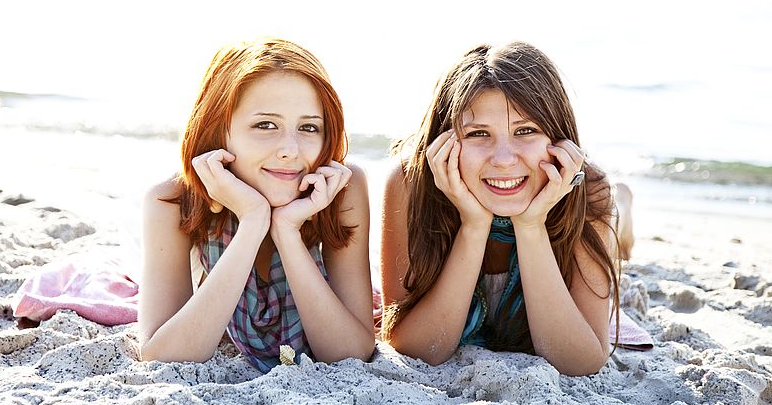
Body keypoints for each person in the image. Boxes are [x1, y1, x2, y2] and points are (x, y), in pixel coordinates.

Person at [380, 41, 628, 376]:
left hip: (588, 206)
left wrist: (531, 226)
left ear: (558, 137)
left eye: (525, 130)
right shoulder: (411, 184)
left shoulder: (587, 191)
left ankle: (624, 215)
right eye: (479, 133)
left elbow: (580, 362)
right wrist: (473, 225)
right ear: (445, 140)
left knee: (621, 242)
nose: (504, 159)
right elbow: (417, 349)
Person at [138, 38, 375, 372]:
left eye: (309, 127)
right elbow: (163, 357)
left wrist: (287, 231)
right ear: (219, 129)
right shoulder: (172, 202)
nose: (290, 150)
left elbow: (350, 354)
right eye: (265, 125)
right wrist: (253, 221)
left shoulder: (341, 190)